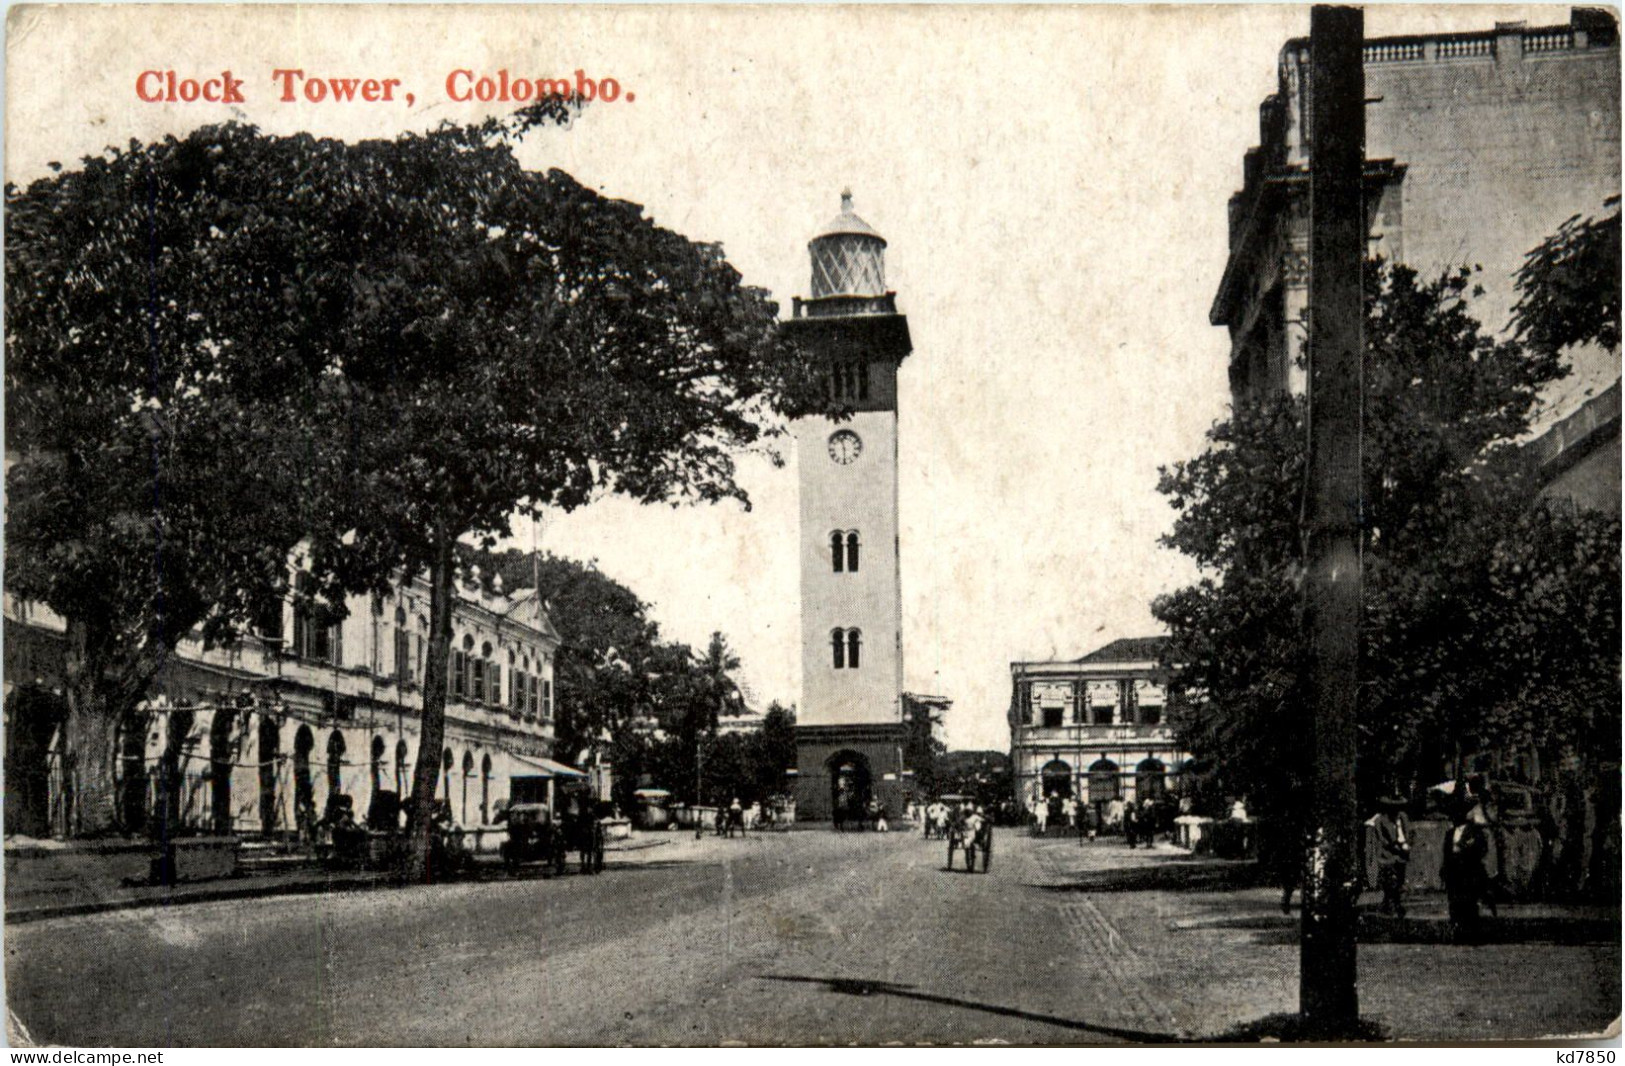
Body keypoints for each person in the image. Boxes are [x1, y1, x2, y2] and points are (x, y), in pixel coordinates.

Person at [1442, 794, 1492, 943]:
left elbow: (1482, 850)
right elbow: (1446, 853)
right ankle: (1458, 934)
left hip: (1469, 872)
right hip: (1454, 872)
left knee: (1470, 903)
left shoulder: (1475, 832)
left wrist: (1466, 850)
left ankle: (1472, 934)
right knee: (1455, 904)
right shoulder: (1450, 833)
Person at [1372, 795, 1412, 917]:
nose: (1395, 810)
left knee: (1399, 880)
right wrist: (1395, 847)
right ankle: (1395, 904)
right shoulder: (1380, 820)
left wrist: (1407, 845)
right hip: (1387, 854)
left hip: (1402, 852)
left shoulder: (1403, 817)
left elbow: (1408, 833)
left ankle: (1388, 903)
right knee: (1390, 881)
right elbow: (1382, 839)